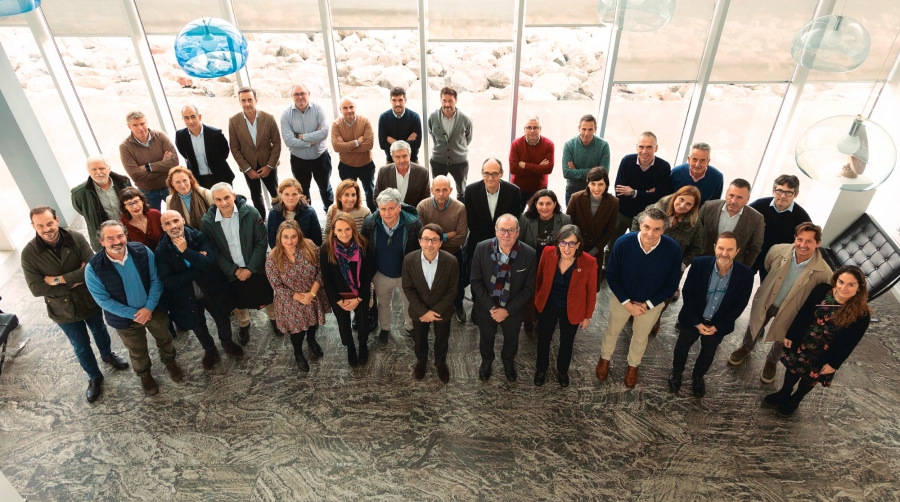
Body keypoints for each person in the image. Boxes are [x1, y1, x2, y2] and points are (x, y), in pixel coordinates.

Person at [22, 207, 129, 403]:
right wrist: (74, 280)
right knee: (80, 345)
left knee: (100, 330)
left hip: (88, 300)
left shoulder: (75, 237)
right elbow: (36, 288)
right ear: (33, 226)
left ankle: (107, 355)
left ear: (56, 220)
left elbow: (92, 267)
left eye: (49, 223)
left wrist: (56, 280)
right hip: (62, 309)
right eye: (40, 226)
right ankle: (94, 377)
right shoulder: (29, 253)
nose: (46, 229)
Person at [85, 221, 182, 395]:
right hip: (125, 320)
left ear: (126, 235)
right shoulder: (93, 268)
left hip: (154, 311)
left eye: (120, 236)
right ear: (101, 241)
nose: (117, 241)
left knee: (165, 339)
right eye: (110, 238)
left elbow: (156, 280)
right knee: (137, 351)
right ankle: (145, 375)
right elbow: (103, 300)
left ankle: (170, 363)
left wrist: (149, 308)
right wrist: (135, 314)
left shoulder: (142, 251)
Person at [728, 223, 832, 384]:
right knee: (756, 323)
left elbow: (821, 296)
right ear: (794, 238)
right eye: (800, 239)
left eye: (809, 241)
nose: (803, 245)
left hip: (792, 309)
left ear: (818, 243)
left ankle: (772, 361)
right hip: (769, 299)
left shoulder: (825, 272)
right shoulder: (777, 250)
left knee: (782, 336)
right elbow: (768, 265)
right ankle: (746, 348)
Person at [765, 266, 871, 417]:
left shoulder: (862, 314)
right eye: (841, 282)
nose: (844, 288)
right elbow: (803, 312)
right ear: (836, 280)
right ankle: (784, 392)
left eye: (851, 284)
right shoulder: (822, 290)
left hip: (825, 353)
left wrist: (834, 364)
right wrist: (791, 334)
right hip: (804, 341)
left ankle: (795, 400)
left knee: (810, 377)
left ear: (860, 287)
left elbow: (850, 344)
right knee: (793, 368)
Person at [596, 208, 682, 388]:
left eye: (657, 229)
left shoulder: (673, 249)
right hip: (622, 299)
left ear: (663, 230)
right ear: (640, 225)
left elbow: (671, 283)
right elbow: (612, 275)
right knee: (612, 330)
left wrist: (648, 304)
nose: (651, 233)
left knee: (641, 336)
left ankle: (633, 365)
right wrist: (627, 303)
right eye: (647, 227)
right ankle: (605, 358)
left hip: (651, 304)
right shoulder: (623, 243)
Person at [155, 211, 244, 370]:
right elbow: (169, 281)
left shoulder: (199, 237)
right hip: (186, 296)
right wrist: (198, 263)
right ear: (162, 227)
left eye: (176, 220)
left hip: (211, 288)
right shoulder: (162, 251)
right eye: (167, 223)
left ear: (183, 220)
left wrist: (186, 251)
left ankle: (227, 342)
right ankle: (209, 350)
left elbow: (209, 263)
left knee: (222, 318)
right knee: (198, 326)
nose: (173, 226)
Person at [669, 232, 753, 397]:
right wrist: (697, 323)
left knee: (708, 352)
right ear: (715, 248)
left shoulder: (746, 275)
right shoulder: (699, 264)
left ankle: (698, 377)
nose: (724, 253)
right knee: (682, 347)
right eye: (721, 248)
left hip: (718, 324)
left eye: (730, 249)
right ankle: (676, 373)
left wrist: (718, 326)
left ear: (737, 251)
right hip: (692, 319)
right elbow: (688, 293)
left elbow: (739, 305)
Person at [201, 183, 277, 345]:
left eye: (227, 197)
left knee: (267, 296)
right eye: (218, 199)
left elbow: (261, 242)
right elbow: (213, 249)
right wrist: (233, 270)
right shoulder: (208, 221)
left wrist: (250, 268)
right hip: (230, 272)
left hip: (255, 267)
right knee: (237, 301)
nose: (223, 203)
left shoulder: (250, 213)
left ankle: (274, 319)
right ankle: (244, 324)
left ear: (234, 196)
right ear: (213, 201)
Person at [470, 214, 537, 382]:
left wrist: (507, 311)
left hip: (513, 310)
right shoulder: (481, 248)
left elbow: (529, 288)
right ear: (496, 231)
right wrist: (492, 308)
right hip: (487, 308)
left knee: (512, 338)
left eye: (511, 230)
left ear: (518, 231)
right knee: (486, 337)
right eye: (502, 230)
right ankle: (486, 362)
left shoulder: (529, 254)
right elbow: (476, 281)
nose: (506, 234)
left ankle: (508, 362)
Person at [630, 185, 705, 334]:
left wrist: (682, 265)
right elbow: (636, 221)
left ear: (693, 207)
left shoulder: (694, 225)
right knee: (638, 290)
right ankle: (634, 313)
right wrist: (637, 244)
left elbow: (697, 248)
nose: (683, 205)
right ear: (675, 197)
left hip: (671, 268)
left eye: (688, 204)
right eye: (681, 199)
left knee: (662, 299)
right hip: (646, 260)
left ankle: (655, 319)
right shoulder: (656, 208)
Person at [533, 225, 597, 388]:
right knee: (543, 339)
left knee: (567, 342)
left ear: (578, 245)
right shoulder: (547, 253)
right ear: (557, 243)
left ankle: (562, 371)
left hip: (573, 308)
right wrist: (538, 302)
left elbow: (591, 292)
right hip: (549, 304)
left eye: (571, 243)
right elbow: (539, 279)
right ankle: (541, 369)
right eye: (563, 243)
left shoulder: (589, 262)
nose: (566, 248)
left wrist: (587, 316)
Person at [361, 188, 423, 347]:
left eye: (391, 208)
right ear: (378, 208)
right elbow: (365, 251)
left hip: (406, 275)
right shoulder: (370, 224)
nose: (387, 213)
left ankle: (410, 327)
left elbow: (419, 251)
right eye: (383, 209)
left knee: (409, 302)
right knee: (383, 303)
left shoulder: (414, 224)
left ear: (399, 207)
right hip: (381, 274)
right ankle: (385, 328)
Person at [265, 220, 329, 372]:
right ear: (279, 237)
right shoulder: (273, 257)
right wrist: (300, 297)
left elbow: (321, 270)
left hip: (313, 293)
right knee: (298, 331)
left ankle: (312, 340)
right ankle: (298, 352)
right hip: (291, 300)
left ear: (299, 235)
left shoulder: (310, 247)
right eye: (285, 237)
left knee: (313, 323)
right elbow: (277, 286)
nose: (289, 241)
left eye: (293, 236)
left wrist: (311, 293)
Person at [464, 158, 522, 323]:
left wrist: (500, 241)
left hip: (505, 242)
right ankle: (477, 307)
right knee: (479, 277)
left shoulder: (513, 191)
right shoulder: (471, 190)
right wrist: (487, 245)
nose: (490, 178)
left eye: (494, 174)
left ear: (502, 174)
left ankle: (499, 307)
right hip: (478, 242)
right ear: (482, 173)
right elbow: (471, 221)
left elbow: (514, 220)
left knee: (502, 276)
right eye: (486, 173)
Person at [402, 223, 459, 383]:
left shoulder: (451, 261)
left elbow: (452, 291)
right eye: (426, 239)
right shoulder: (409, 260)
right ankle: (421, 361)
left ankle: (440, 362)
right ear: (419, 241)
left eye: (434, 240)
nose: (430, 244)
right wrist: (424, 312)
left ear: (441, 243)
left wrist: (434, 311)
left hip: (443, 310)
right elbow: (408, 288)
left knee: (442, 338)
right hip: (419, 311)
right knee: (420, 339)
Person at [321, 213, 376, 367]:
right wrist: (338, 300)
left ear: (353, 229)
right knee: (344, 324)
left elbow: (369, 272)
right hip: (339, 296)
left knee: (363, 321)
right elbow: (326, 278)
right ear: (333, 230)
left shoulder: (364, 245)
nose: (344, 234)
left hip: (360, 294)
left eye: (347, 229)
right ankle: (350, 347)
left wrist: (359, 298)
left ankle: (363, 345)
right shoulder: (327, 248)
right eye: (339, 230)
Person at [519, 189, 571, 335]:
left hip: (553, 263)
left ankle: (543, 319)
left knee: (548, 292)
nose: (544, 207)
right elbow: (519, 242)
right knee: (529, 292)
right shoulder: (525, 218)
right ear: (535, 204)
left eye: (548, 203)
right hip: (530, 262)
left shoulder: (565, 219)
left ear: (555, 204)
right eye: (540, 203)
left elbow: (568, 243)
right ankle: (529, 319)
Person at [417, 175, 468, 323]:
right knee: (430, 283)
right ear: (431, 190)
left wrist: (432, 241)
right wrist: (446, 236)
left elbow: (461, 238)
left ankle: (458, 305)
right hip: (428, 255)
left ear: (451, 190)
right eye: (437, 190)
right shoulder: (422, 206)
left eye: (444, 190)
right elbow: (420, 236)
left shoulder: (460, 208)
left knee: (457, 283)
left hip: (453, 254)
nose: (441, 194)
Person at [229, 86, 282, 218]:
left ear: (256, 100)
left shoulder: (269, 118)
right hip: (249, 167)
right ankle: (261, 221)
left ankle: (279, 219)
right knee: (256, 196)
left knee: (275, 194)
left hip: (268, 165)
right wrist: (247, 169)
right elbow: (234, 148)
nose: (247, 104)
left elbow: (277, 144)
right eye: (243, 100)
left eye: (250, 100)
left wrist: (270, 166)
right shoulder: (234, 121)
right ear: (240, 102)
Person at [748, 174, 812, 282]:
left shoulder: (802, 218)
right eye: (779, 191)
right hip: (753, 254)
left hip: (777, 261)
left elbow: (805, 242)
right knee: (741, 284)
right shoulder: (759, 205)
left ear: (795, 194)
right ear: (773, 191)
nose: (782, 196)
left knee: (767, 293)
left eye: (788, 192)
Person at [281, 83, 334, 211]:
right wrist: (310, 141)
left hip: (320, 158)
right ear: (291, 96)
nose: (300, 97)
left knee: (325, 188)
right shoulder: (286, 114)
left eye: (303, 93)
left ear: (308, 94)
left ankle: (331, 214)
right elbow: (289, 141)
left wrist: (300, 136)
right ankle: (308, 216)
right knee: (303, 192)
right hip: (299, 161)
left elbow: (324, 133)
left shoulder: (319, 109)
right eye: (296, 94)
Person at [613, 131, 672, 244]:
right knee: (613, 245)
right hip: (622, 214)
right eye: (641, 147)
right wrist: (647, 193)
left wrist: (633, 192)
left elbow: (660, 197)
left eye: (649, 147)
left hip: (647, 218)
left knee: (637, 247)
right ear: (637, 147)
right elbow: (619, 193)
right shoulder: (627, 161)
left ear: (656, 148)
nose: (644, 151)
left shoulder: (664, 167)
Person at [565, 167, 619, 288]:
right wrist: (575, 248)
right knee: (571, 283)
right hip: (574, 247)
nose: (596, 188)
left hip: (596, 249)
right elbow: (568, 226)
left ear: (606, 185)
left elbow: (609, 231)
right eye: (593, 183)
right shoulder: (576, 198)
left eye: (600, 184)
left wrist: (593, 251)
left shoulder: (613, 202)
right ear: (588, 183)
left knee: (590, 286)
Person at [118, 111, 179, 211]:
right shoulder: (125, 147)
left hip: (169, 186)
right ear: (129, 127)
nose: (140, 128)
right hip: (147, 192)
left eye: (142, 123)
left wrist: (147, 167)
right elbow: (135, 175)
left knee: (178, 215)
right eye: (135, 125)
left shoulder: (160, 136)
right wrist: (163, 165)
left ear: (147, 122)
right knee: (153, 220)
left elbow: (174, 161)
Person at [697, 179, 764, 268]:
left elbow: (755, 247)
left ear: (747, 199)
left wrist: (744, 267)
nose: (733, 201)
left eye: (739, 197)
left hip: (732, 266)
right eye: (731, 195)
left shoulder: (756, 218)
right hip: (703, 260)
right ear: (726, 194)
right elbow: (695, 232)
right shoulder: (709, 207)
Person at [71, 155, 133, 251]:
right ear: (89, 171)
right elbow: (82, 210)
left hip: (129, 229)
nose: (98, 172)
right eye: (94, 169)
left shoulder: (123, 182)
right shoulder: (79, 193)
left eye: (102, 168)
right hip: (105, 235)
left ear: (109, 168)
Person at [331, 97, 377, 213]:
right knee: (348, 195)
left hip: (366, 165)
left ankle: (373, 216)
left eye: (351, 107)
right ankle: (350, 216)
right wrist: (357, 142)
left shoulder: (365, 121)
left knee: (370, 193)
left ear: (355, 108)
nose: (349, 110)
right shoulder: (336, 125)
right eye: (345, 108)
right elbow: (336, 147)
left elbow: (369, 145)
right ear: (340, 110)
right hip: (347, 166)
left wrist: (346, 147)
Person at [427, 86, 473, 200]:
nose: (447, 104)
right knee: (438, 192)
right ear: (440, 100)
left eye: (450, 101)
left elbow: (468, 138)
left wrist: (457, 147)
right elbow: (433, 135)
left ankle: (460, 215)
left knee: (462, 192)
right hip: (438, 161)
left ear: (456, 100)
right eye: (444, 100)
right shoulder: (432, 117)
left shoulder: (465, 118)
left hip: (460, 162)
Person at [175, 105, 234, 189]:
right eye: (186, 118)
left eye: (193, 117)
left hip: (220, 176)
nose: (190, 121)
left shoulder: (215, 133)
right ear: (183, 119)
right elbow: (185, 154)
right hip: (198, 180)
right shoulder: (180, 135)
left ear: (199, 117)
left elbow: (225, 153)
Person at [561, 114, 610, 205]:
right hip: (573, 191)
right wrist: (594, 171)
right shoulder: (569, 145)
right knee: (571, 219)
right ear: (579, 128)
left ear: (595, 129)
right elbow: (567, 172)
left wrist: (576, 171)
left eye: (590, 129)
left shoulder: (603, 145)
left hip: (595, 193)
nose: (586, 133)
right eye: (584, 129)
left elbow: (604, 173)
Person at [509, 115, 554, 212]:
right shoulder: (516, 144)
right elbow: (513, 169)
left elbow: (548, 169)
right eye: (529, 127)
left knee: (538, 218)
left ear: (540, 129)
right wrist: (538, 168)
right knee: (516, 217)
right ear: (524, 129)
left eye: (535, 127)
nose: (532, 130)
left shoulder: (548, 144)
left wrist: (525, 165)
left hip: (539, 189)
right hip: (519, 189)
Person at [267, 178, 322, 249]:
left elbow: (317, 240)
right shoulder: (273, 213)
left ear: (300, 194)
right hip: (282, 252)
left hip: (305, 250)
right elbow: (272, 241)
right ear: (281, 194)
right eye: (286, 194)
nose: (291, 198)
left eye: (294, 194)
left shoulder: (310, 212)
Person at [375, 140, 431, 207]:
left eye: (404, 156)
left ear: (410, 155)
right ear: (392, 157)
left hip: (414, 214)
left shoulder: (423, 173)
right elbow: (377, 197)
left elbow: (425, 200)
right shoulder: (383, 172)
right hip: (390, 214)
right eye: (397, 157)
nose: (401, 160)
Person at [378, 86, 422, 164]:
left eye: (400, 100)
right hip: (391, 161)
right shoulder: (383, 118)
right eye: (394, 100)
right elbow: (383, 144)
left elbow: (417, 144)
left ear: (405, 100)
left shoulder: (414, 117)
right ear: (390, 101)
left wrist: (393, 141)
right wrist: (407, 142)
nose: (397, 104)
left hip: (412, 160)